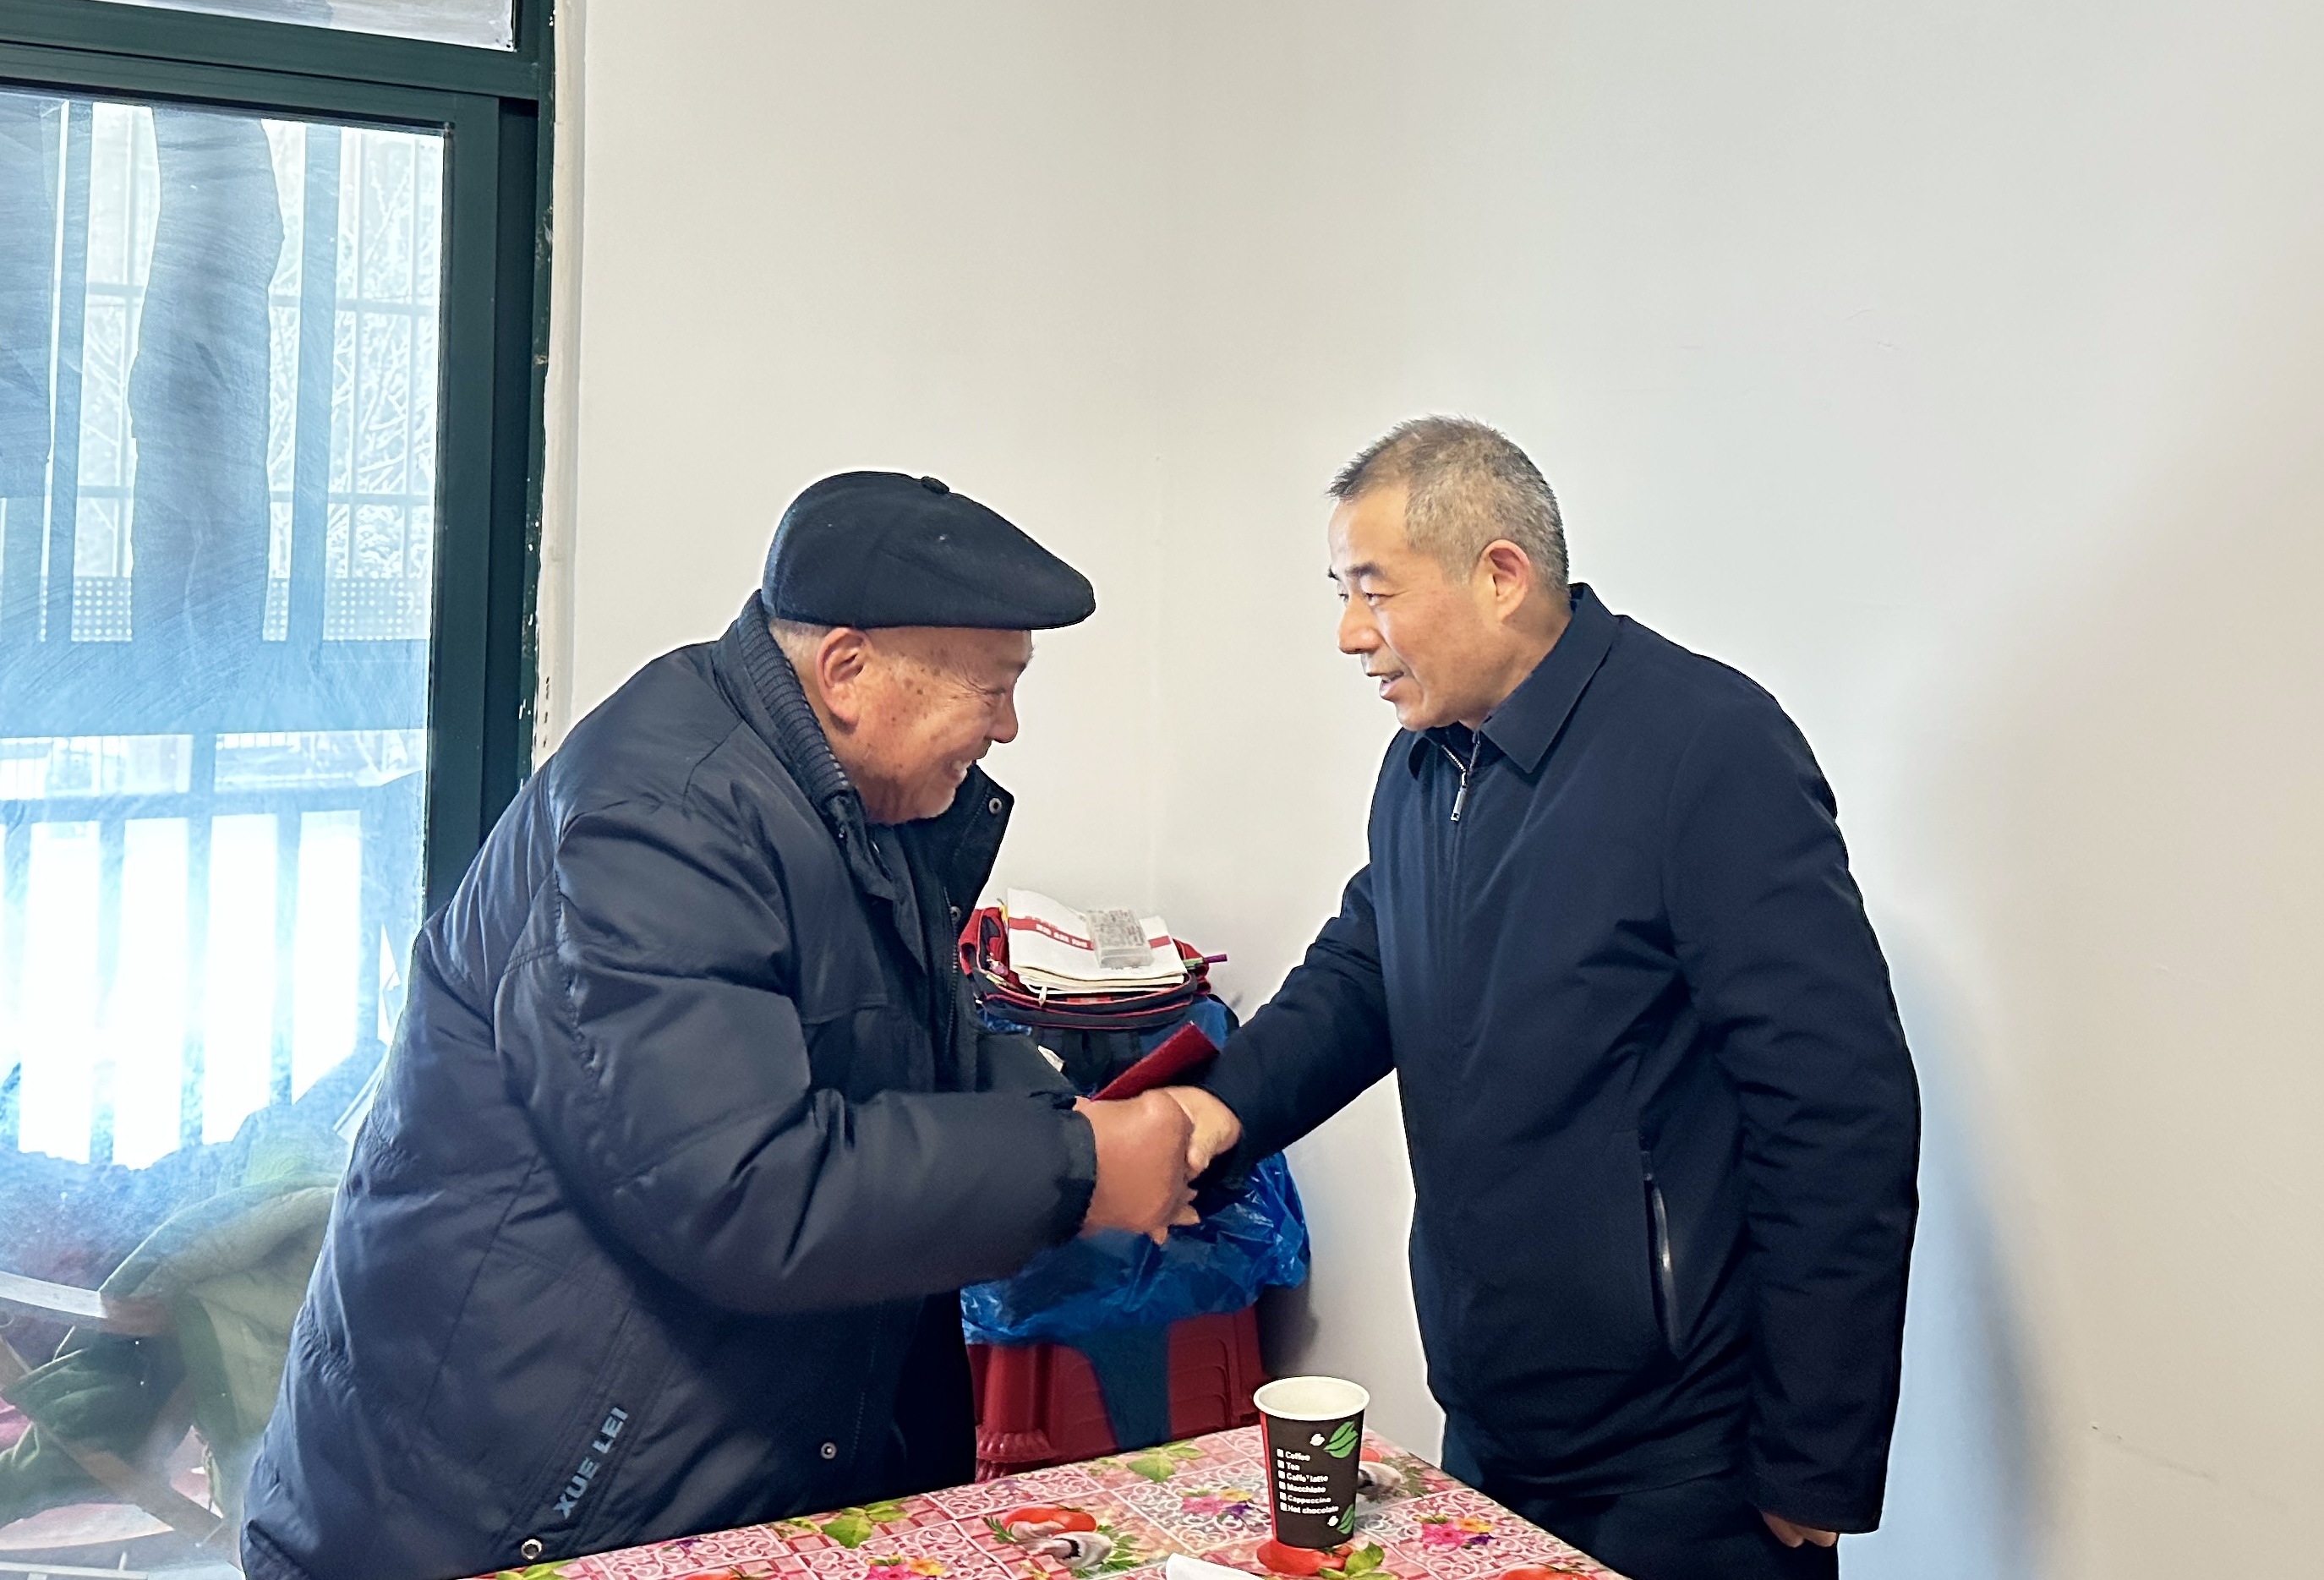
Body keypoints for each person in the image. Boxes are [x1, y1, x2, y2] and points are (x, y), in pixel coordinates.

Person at [242, 471, 1199, 1580]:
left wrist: (1068, 1116)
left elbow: (895, 1056)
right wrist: (1075, 1167)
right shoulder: (659, 816)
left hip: (680, 1474)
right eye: (992, 688)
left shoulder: (843, 799)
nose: (1007, 727)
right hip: (504, 1507)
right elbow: (740, 1187)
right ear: (847, 670)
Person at [1168, 418, 1920, 1580]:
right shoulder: (1425, 760)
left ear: (1501, 574)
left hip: (1689, 1462)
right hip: (1492, 1420)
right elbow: (1367, 967)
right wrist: (1211, 1112)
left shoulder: (1705, 748)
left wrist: (1815, 1454)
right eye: (1340, 593)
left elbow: (1837, 1106)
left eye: (1374, 590)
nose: (1349, 633)